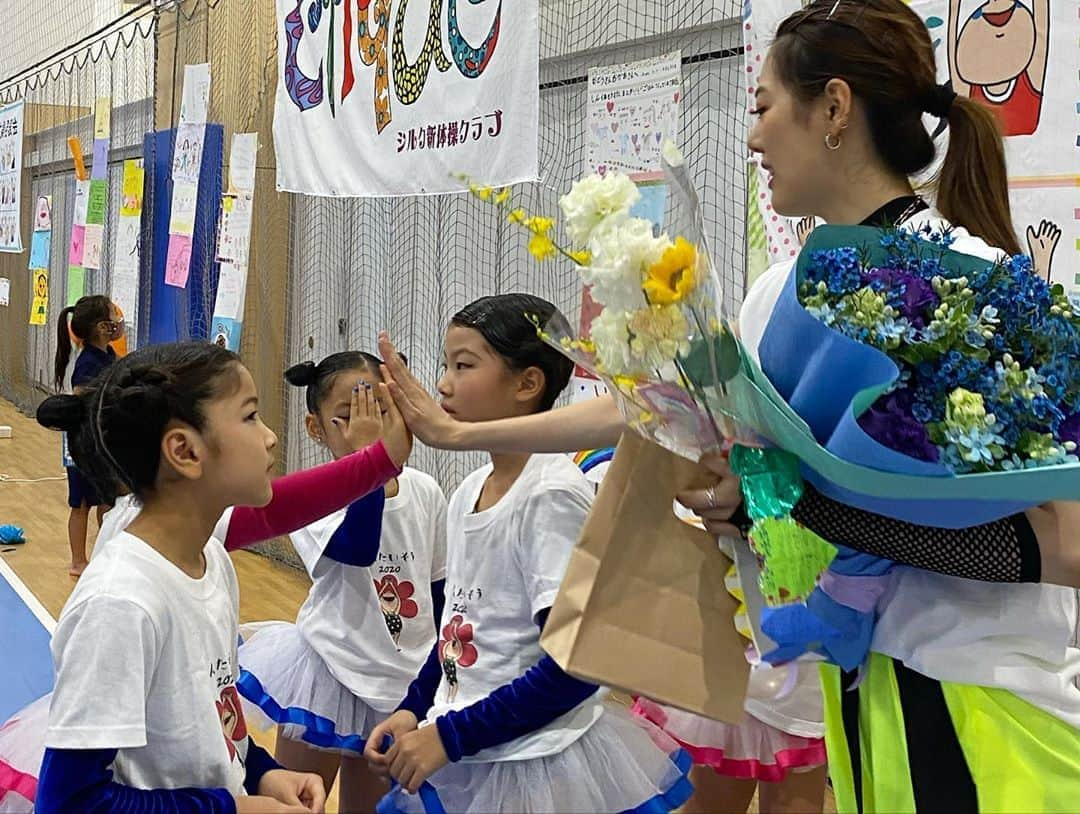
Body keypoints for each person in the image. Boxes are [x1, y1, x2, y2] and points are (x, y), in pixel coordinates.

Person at [377, 2, 1080, 809]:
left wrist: (812, 509)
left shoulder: (980, 289)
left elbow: (1067, 545)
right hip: (861, 693)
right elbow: (652, 407)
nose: (750, 138)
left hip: (983, 706)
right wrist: (462, 431)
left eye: (763, 107)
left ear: (835, 109)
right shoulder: (781, 293)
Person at [0, 348, 414, 813]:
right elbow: (71, 804)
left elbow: (216, 715)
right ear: (184, 451)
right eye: (251, 416)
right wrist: (233, 808)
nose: (271, 437)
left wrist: (263, 772)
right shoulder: (120, 604)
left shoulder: (209, 560)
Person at [364, 295, 692, 813]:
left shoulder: (549, 496)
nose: (443, 384)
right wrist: (415, 707)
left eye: (464, 365)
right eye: (445, 365)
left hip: (531, 765)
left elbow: (576, 667)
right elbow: (460, 624)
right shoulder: (472, 486)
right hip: (470, 749)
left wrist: (450, 736)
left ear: (527, 383)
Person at [238, 352, 447, 813]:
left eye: (382, 412)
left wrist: (433, 684)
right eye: (350, 419)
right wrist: (367, 458)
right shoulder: (311, 497)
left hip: (400, 680)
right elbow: (358, 547)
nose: (368, 427)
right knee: (299, 799)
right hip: (329, 670)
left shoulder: (426, 491)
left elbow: (437, 590)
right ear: (316, 429)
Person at [53, 295, 122, 577]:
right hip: (82, 442)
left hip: (102, 441)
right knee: (80, 503)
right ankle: (78, 560)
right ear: (101, 327)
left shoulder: (108, 356)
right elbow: (82, 399)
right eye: (113, 315)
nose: (119, 321)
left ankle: (106, 555)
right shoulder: (88, 362)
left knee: (108, 501)